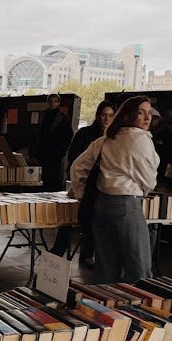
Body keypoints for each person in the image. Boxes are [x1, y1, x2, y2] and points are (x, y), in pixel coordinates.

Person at [70, 95, 159, 284]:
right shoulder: (140, 138)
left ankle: (106, 302)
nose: (147, 117)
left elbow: (77, 167)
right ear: (128, 115)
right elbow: (149, 180)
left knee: (106, 269)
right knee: (139, 269)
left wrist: (81, 194)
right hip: (127, 205)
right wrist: (144, 189)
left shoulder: (106, 139)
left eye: (149, 113)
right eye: (141, 112)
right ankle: (134, 303)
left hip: (101, 206)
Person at [51, 100, 116, 261]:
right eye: (104, 115)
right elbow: (74, 158)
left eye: (110, 115)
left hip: (102, 186)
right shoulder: (85, 133)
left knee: (94, 221)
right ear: (98, 115)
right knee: (70, 218)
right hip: (82, 182)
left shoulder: (115, 137)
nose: (106, 119)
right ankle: (57, 252)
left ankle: (87, 255)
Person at [36, 93, 73, 191]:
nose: (53, 103)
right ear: (48, 102)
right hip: (43, 152)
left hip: (55, 153)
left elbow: (68, 136)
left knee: (54, 177)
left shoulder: (63, 118)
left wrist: (62, 151)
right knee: (43, 177)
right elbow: (39, 134)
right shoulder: (44, 116)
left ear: (59, 103)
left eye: (55, 101)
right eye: (51, 101)